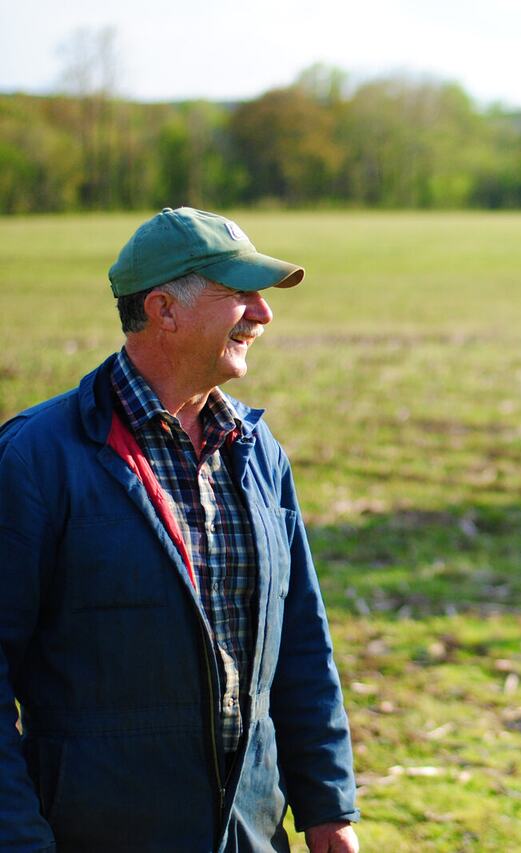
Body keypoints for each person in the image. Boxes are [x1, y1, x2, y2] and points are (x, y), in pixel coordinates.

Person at [0, 208, 359, 852]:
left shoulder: (257, 450)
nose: (263, 314)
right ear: (164, 309)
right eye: (240, 295)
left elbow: (301, 641)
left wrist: (328, 806)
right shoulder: (36, 458)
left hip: (252, 834)